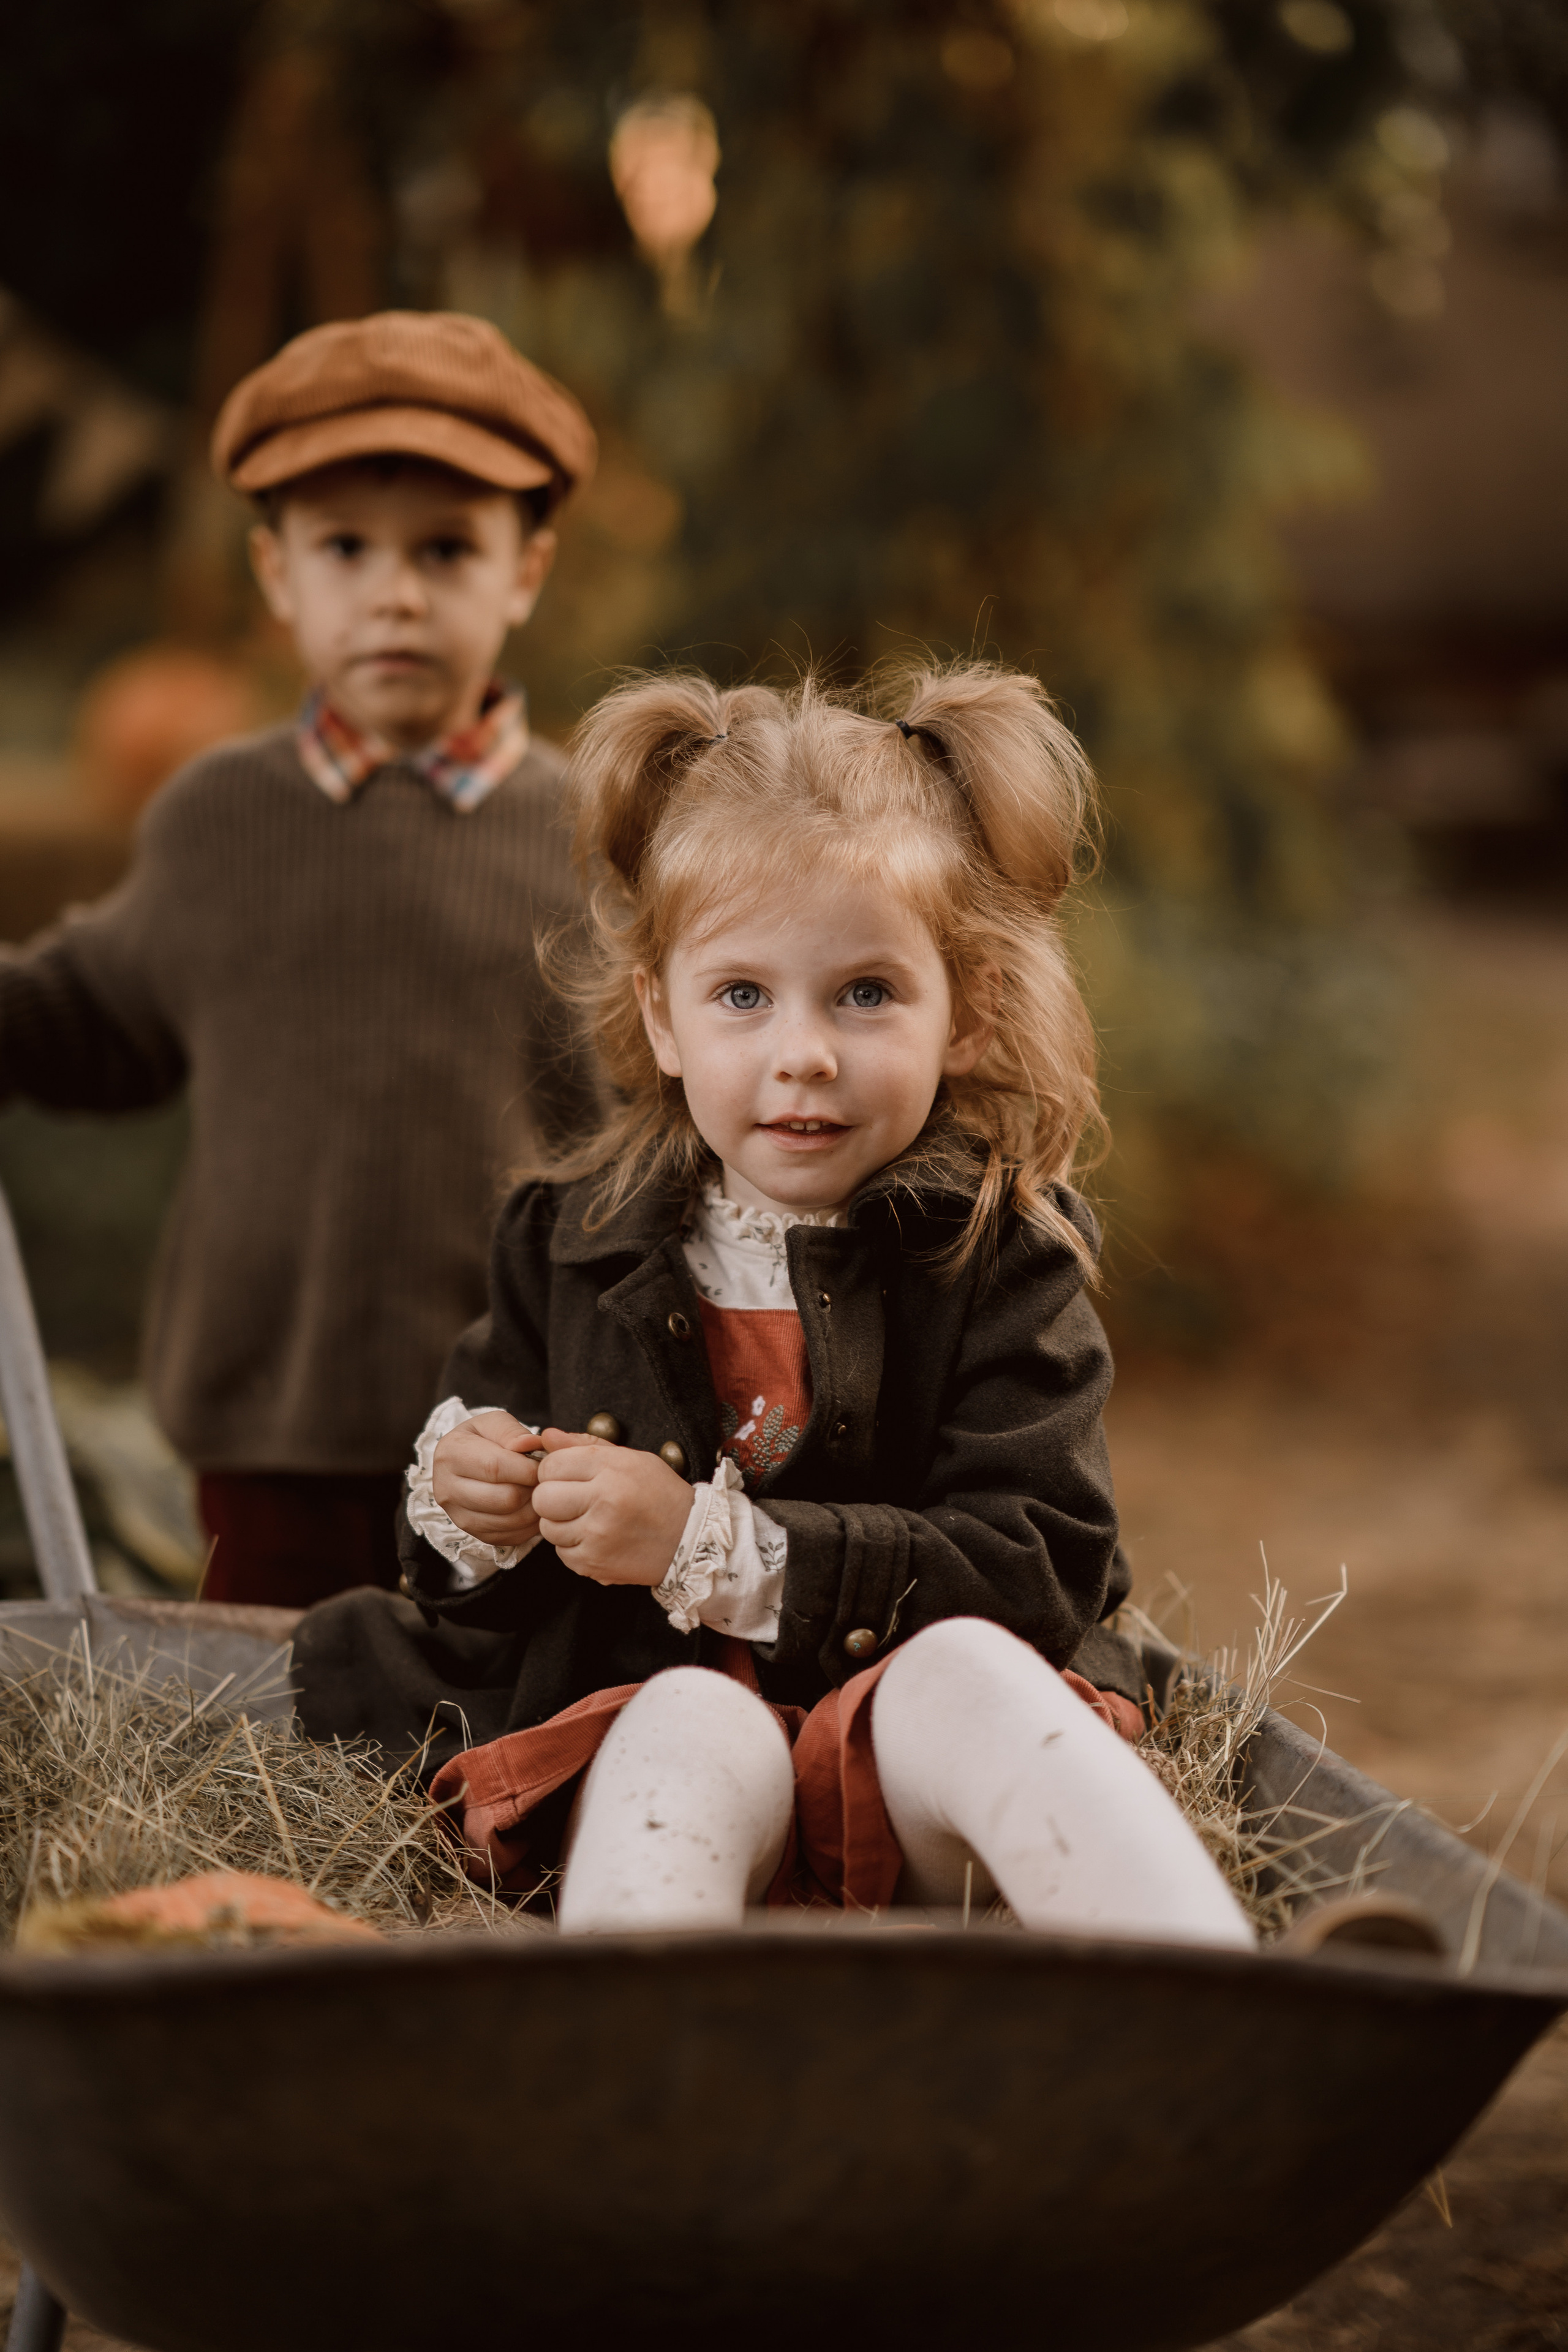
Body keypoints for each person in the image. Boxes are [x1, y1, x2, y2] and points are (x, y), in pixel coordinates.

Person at [295, 662, 1253, 1947]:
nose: (802, 1051)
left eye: (864, 992)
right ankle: (650, 2073)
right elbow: (468, 1604)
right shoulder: (569, 1243)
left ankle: (1210, 1990)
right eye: (742, 995)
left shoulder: (998, 1254)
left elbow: (1036, 1564)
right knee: (683, 1724)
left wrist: (704, 1539)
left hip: (908, 1775)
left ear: (963, 1013)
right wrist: (482, 1514)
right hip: (668, 1738)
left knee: (962, 1673)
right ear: (663, 1017)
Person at [0, 312, 603, 1607]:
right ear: (278, 576)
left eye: (446, 549)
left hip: (521, 1436)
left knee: (482, 1756)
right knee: (277, 1762)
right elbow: (93, 1014)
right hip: (265, 1422)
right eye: (345, 548)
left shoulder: (588, 840)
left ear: (524, 571)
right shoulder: (218, 820)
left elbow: (644, 1119)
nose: (394, 592)